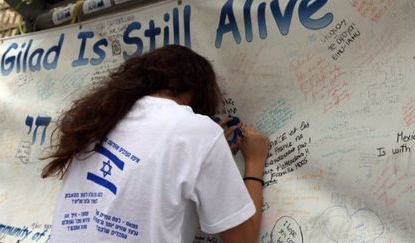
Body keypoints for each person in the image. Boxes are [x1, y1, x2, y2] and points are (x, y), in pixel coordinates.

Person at [42, 45, 269, 243]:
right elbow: (243, 238)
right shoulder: (199, 131)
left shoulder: (95, 122)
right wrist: (255, 160)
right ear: (199, 90)